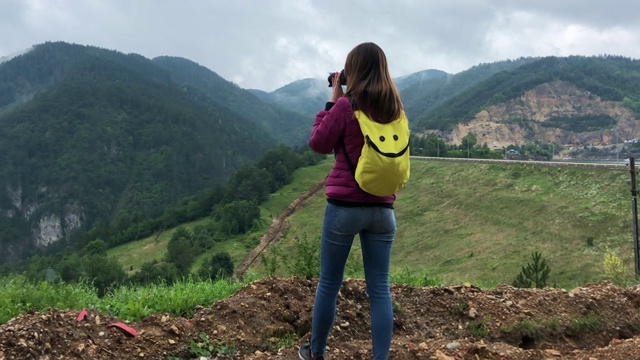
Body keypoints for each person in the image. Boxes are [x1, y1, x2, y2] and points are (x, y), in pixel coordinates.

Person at [299, 42, 404, 360]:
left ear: (351, 72)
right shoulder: (395, 109)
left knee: (329, 283)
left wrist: (334, 94)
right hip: (383, 211)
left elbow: (318, 143)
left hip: (344, 209)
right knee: (380, 290)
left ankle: (317, 353)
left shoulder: (347, 106)